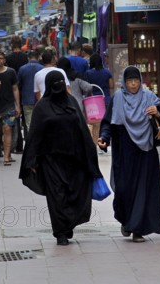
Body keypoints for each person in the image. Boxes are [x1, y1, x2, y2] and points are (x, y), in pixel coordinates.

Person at [19, 71, 103, 245]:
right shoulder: (42, 107)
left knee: (75, 192)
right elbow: (34, 135)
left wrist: (90, 155)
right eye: (54, 82)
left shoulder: (71, 101)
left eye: (60, 82)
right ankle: (60, 233)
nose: (58, 86)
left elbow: (81, 127)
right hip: (51, 160)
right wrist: (31, 161)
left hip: (74, 159)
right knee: (56, 196)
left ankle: (69, 225)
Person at [97, 66, 160, 242]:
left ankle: (137, 229)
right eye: (129, 81)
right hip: (124, 152)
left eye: (136, 81)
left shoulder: (149, 97)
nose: (133, 84)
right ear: (124, 82)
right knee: (124, 189)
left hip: (145, 152)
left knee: (143, 190)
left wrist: (157, 112)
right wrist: (104, 138)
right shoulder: (118, 98)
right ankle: (127, 221)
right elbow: (108, 122)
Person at [84, 53, 114, 146]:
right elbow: (111, 86)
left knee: (96, 124)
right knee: (107, 123)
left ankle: (97, 144)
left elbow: (87, 87)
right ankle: (106, 141)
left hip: (93, 102)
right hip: (106, 100)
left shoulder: (88, 73)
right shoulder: (107, 72)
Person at [5, 36, 28, 155]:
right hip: (24, 90)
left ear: (11, 44)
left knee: (15, 119)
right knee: (26, 120)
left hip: (12, 90)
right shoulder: (25, 57)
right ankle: (26, 144)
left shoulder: (8, 58)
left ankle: (17, 145)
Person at [18, 49, 44, 128]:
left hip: (27, 101)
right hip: (41, 100)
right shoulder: (42, 68)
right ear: (39, 57)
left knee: (30, 126)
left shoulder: (22, 69)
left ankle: (32, 139)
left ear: (28, 58)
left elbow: (18, 85)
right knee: (41, 124)